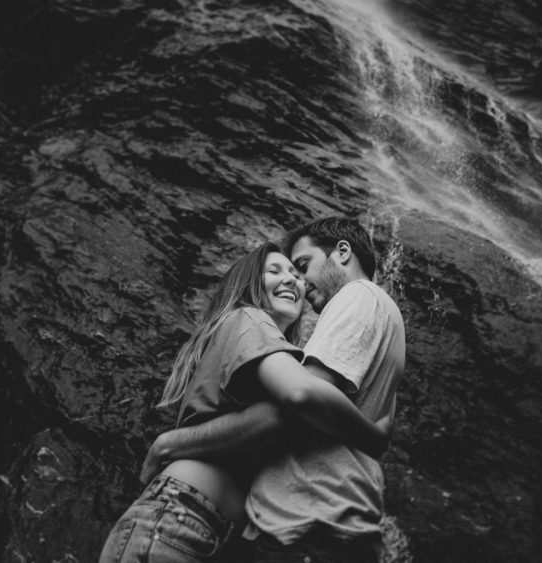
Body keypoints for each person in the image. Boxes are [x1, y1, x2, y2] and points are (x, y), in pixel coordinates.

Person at [98, 241, 390, 563]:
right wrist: (372, 435)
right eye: (274, 271)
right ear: (248, 283)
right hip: (180, 518)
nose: (292, 279)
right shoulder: (249, 318)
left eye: (296, 274)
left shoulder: (264, 350)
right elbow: (299, 401)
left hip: (208, 529)